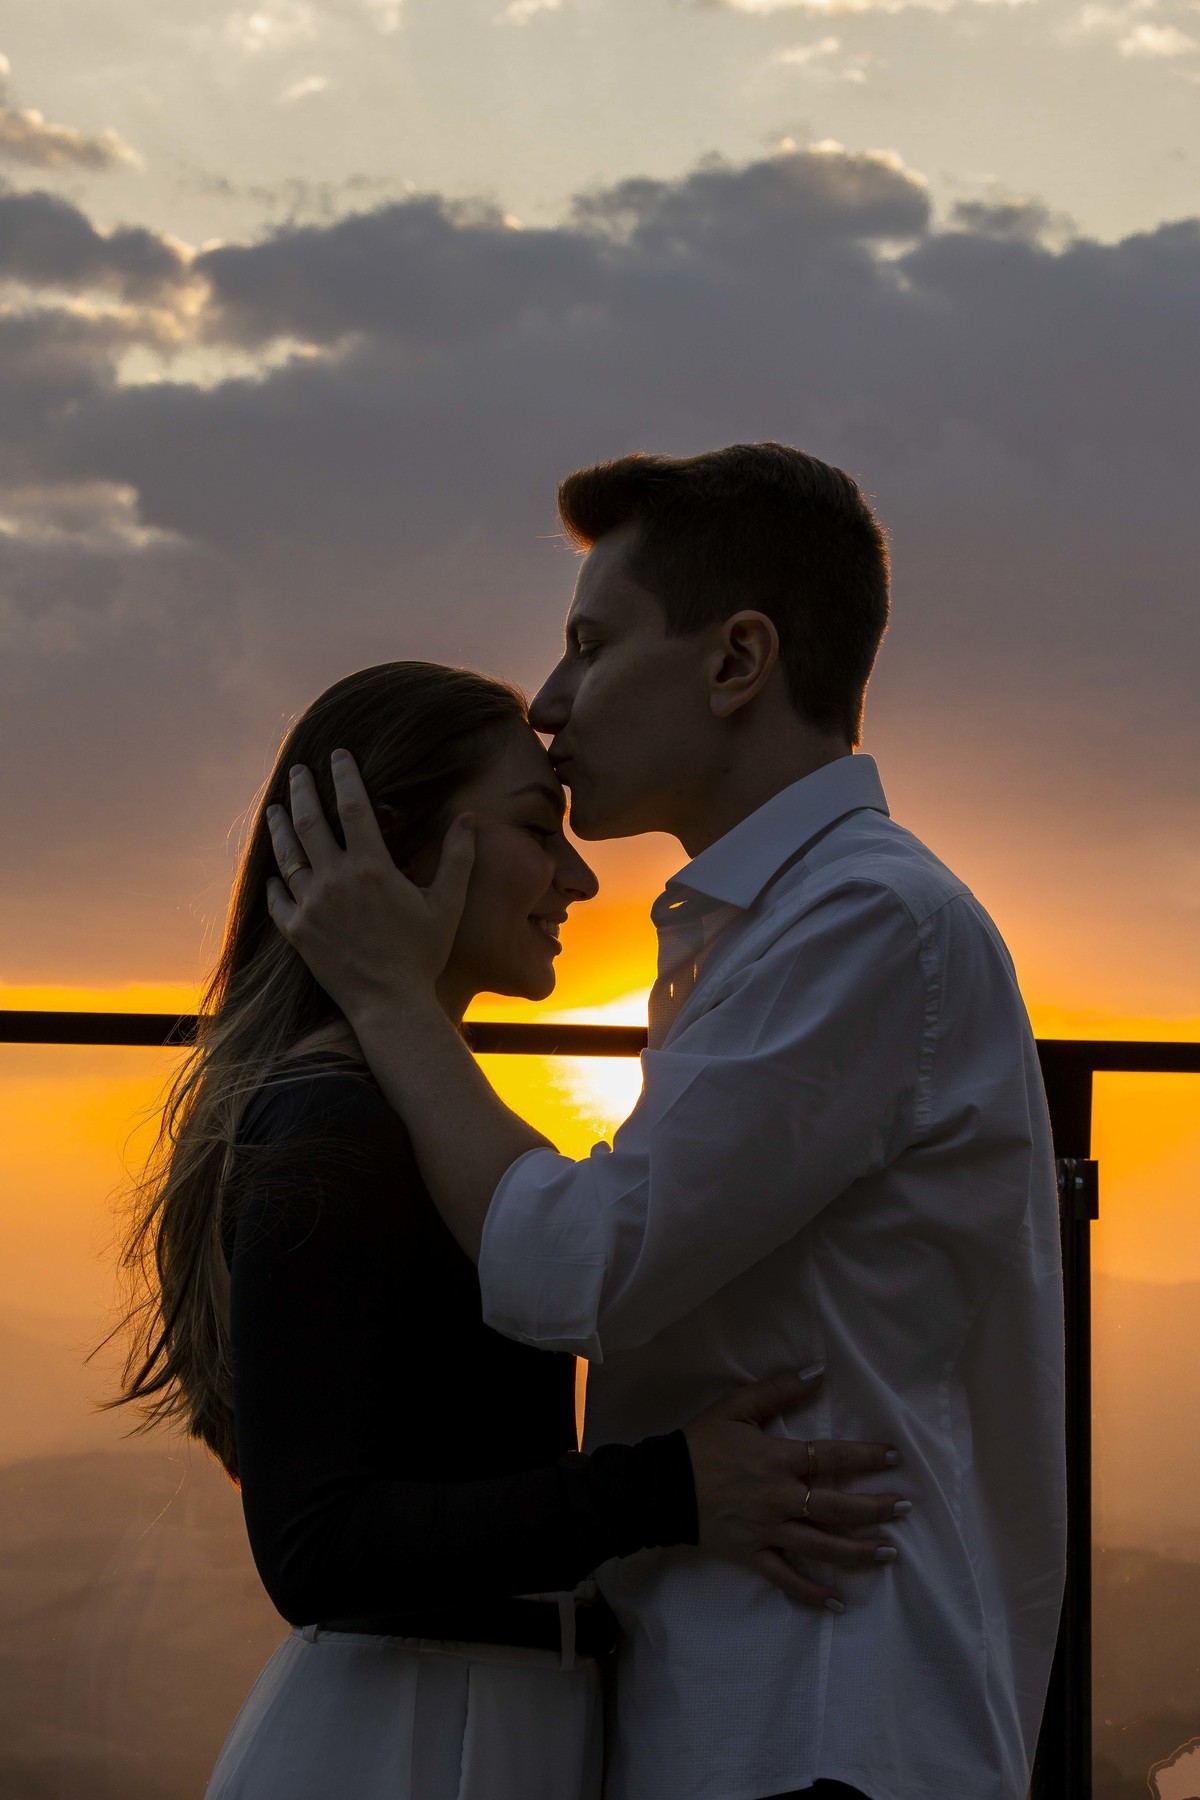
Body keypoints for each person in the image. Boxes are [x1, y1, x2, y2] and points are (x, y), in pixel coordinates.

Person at [266, 444, 1068, 1800]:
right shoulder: (773, 934)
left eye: (590, 642)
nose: (553, 697)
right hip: (753, 1706)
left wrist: (394, 1004)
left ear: (736, 661)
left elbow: (582, 1267)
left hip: (821, 1721)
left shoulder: (867, 923)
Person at [109, 659, 910, 1800]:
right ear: (388, 848)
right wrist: (670, 1489)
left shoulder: (405, 1119)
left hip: (479, 1726)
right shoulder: (334, 1126)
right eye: (542, 830)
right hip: (416, 1744)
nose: (581, 878)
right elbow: (315, 1547)